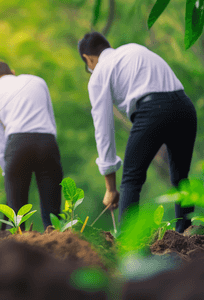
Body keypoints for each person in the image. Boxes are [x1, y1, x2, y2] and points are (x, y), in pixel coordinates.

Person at [78, 31, 197, 233]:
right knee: (180, 178)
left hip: (153, 111)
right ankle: (185, 233)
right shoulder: (133, 48)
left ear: (88, 58)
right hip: (184, 107)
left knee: (132, 180)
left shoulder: (99, 73)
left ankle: (127, 243)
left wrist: (110, 188)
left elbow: (103, 129)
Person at [0, 60, 63, 230]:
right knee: (53, 212)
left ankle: (17, 249)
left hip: (18, 145)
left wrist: (8, 172)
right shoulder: (37, 81)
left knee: (16, 216)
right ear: (12, 71)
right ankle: (59, 242)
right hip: (47, 142)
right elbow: (51, 120)